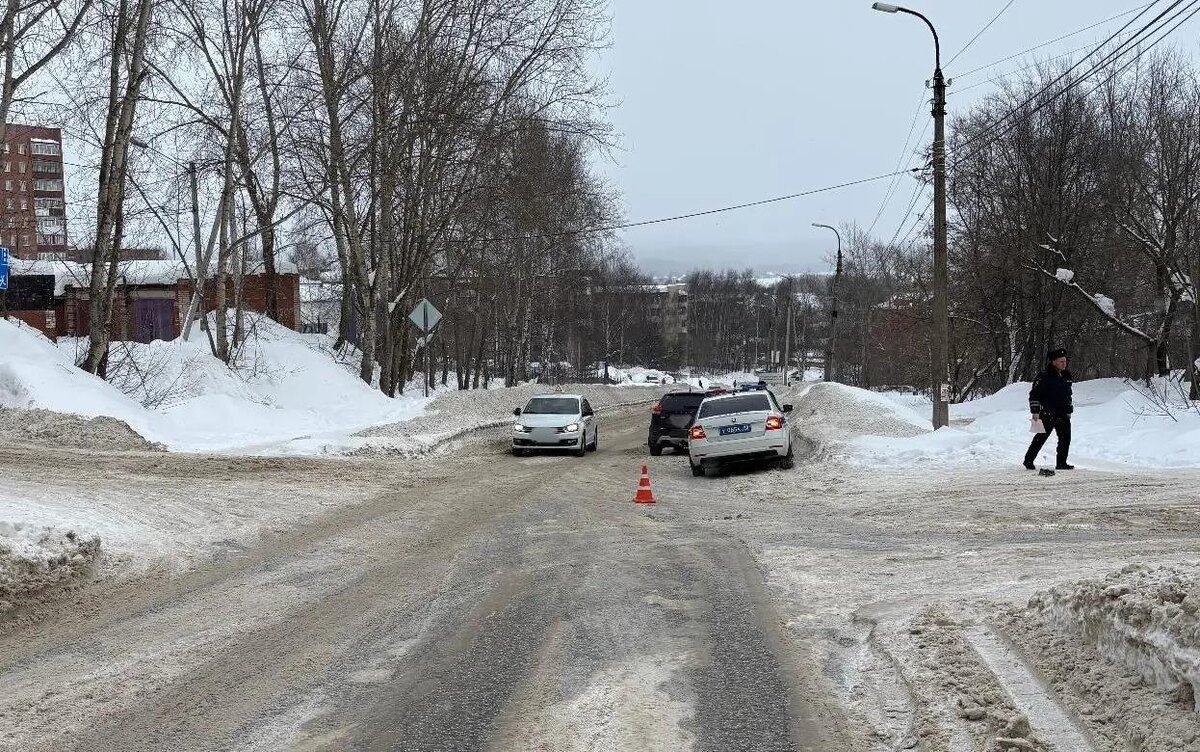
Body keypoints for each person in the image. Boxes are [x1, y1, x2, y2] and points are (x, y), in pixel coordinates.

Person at [1024, 348, 1074, 470]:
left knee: (1065, 438)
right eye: (1061, 361)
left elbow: (1068, 395)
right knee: (1040, 437)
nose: (1064, 363)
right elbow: (1034, 394)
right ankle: (1028, 460)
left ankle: (1061, 463)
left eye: (1065, 361)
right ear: (1053, 362)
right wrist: (1035, 411)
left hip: (1063, 413)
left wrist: (1069, 409)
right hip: (1048, 412)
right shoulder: (1044, 376)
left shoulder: (1066, 376)